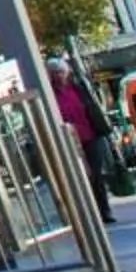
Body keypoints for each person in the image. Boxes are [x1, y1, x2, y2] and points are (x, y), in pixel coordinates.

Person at [50, 57, 116, 225]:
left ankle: (104, 210)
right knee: (78, 177)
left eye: (61, 72)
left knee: (96, 175)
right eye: (55, 73)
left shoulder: (78, 88)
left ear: (67, 73)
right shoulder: (50, 94)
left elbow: (93, 108)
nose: (59, 76)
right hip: (68, 140)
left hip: (90, 136)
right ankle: (87, 214)